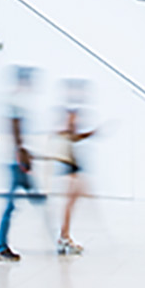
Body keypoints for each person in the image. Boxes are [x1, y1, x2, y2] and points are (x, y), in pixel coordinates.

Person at [0, 66, 45, 262]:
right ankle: (0, 247)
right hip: (15, 162)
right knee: (11, 205)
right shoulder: (16, 102)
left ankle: (1, 245)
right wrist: (22, 156)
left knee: (33, 200)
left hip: (17, 160)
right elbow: (16, 133)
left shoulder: (17, 102)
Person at [54, 82, 96, 256]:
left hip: (72, 161)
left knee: (74, 198)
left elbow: (72, 135)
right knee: (71, 200)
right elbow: (69, 134)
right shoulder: (69, 113)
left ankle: (64, 236)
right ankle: (64, 238)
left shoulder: (71, 112)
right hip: (69, 161)